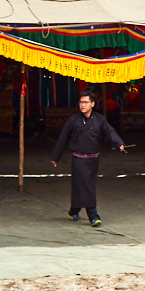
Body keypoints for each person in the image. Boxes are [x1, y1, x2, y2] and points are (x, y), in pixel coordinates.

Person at [49, 89, 125, 226]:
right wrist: (56, 156)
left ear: (93, 104)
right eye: (80, 102)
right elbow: (63, 138)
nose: (82, 105)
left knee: (82, 186)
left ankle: (74, 210)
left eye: (85, 102)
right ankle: (93, 215)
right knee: (87, 186)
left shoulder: (99, 119)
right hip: (79, 158)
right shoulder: (73, 120)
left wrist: (118, 143)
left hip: (94, 159)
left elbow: (109, 132)